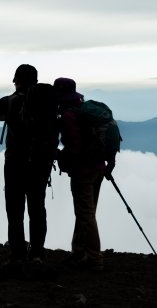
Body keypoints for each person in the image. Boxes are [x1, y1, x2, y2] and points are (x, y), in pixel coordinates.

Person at [0, 64, 55, 272]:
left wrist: (7, 106)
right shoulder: (46, 101)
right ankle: (38, 254)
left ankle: (17, 255)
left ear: (17, 80)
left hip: (15, 164)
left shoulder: (9, 101)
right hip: (40, 165)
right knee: (37, 208)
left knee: (15, 211)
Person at [54, 77, 105, 271]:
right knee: (86, 213)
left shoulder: (68, 116)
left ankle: (94, 258)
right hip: (99, 168)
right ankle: (79, 252)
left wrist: (61, 155)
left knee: (85, 214)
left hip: (83, 170)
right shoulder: (85, 110)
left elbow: (74, 145)